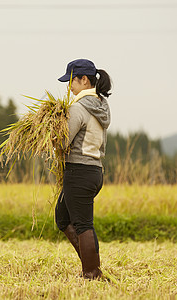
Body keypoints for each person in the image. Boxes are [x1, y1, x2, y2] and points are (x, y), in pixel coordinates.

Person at [55, 58, 112, 280]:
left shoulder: (78, 108)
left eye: (71, 81)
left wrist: (49, 132)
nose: (69, 86)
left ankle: (92, 272)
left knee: (83, 224)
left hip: (79, 171)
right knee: (62, 217)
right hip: (94, 171)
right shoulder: (100, 106)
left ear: (84, 80)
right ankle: (91, 264)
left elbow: (62, 143)